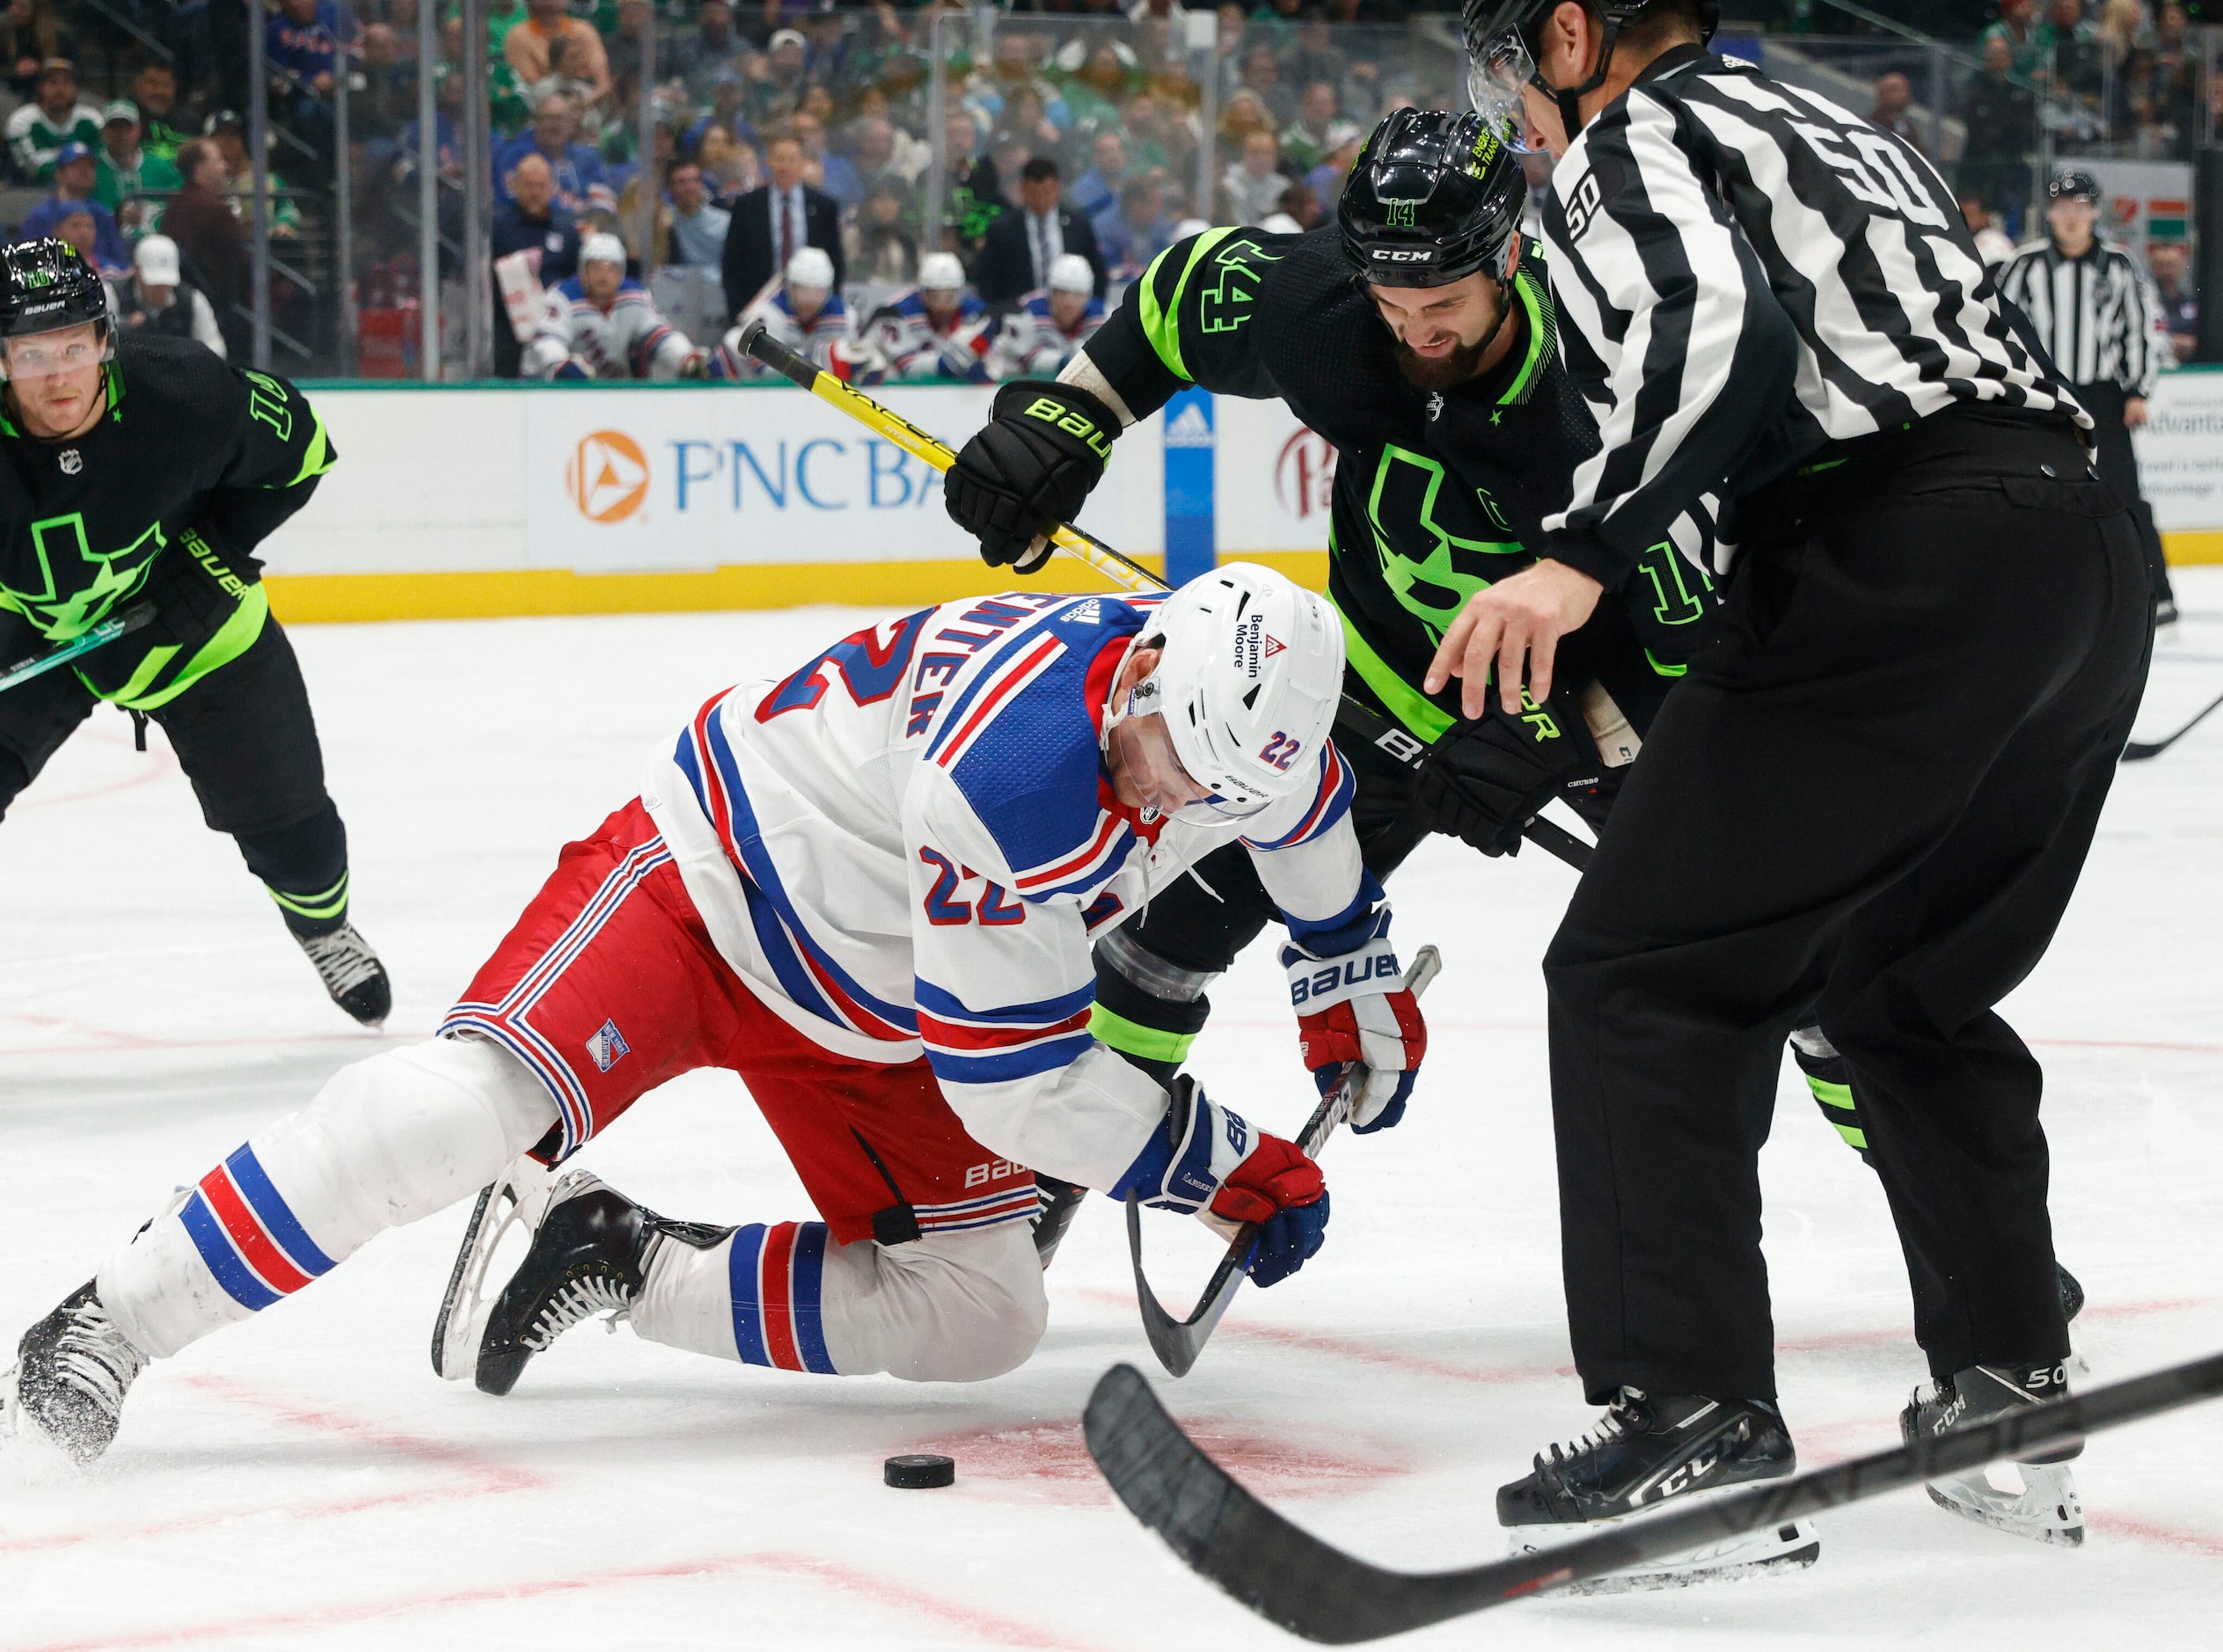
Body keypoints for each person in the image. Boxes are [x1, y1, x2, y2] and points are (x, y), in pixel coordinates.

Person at [4, 563, 1418, 1464]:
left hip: (878, 999)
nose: (1178, 799)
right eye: (1172, 760)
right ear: (1149, 673)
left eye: (1218, 789)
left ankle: (614, 1254)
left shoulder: (1239, 739)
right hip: (706, 888)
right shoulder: (1023, 771)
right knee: (448, 1116)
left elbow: (1307, 833)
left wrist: (1344, 974)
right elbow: (1021, 1086)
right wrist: (1220, 1163)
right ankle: (112, 1316)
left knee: (979, 1315)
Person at [1455, 0, 2147, 1573]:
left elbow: (1722, 337)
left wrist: (1573, 561)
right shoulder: (1838, 121)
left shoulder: (1633, 134)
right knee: (1901, 986)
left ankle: (1692, 1424)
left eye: (1516, 54)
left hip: (1901, 552)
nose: (1512, 97)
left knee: (1637, 972)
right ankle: (2006, 1391)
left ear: (1577, 30)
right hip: (2072, 556)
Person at [0, 239, 386, 1033]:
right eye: (31, 353)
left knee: (296, 834)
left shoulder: (186, 392)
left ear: (106, 341)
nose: (57, 375)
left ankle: (323, 926)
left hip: (195, 637)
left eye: (74, 346)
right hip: (36, 637)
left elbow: (304, 452)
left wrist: (209, 563)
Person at [2000, 172, 2176, 625]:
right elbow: (2001, 327)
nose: (2072, 218)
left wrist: (2137, 391)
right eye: (2063, 208)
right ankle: (2031, 587)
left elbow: (2137, 331)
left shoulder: (2118, 265)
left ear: (2094, 212)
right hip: (2045, 393)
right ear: (2051, 214)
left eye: (2080, 208)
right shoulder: (2024, 265)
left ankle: (2156, 591)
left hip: (2102, 394)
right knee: (2036, 488)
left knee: (2123, 492)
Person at [523, 231, 728, 381]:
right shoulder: (563, 297)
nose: (604, 276)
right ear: (582, 271)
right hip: (550, 393)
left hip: (614, 390)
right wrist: (560, 364)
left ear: (621, 273)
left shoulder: (634, 296)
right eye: (595, 267)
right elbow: (547, 342)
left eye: (612, 269)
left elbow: (660, 335)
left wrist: (686, 357)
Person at [720, 130, 844, 322]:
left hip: (810, 307)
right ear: (769, 162)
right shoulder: (747, 205)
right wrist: (739, 311)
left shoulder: (823, 206)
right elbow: (731, 263)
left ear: (802, 163)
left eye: (791, 160)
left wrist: (826, 309)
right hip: (758, 306)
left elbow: (835, 260)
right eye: (780, 159)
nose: (785, 166)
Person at [491, 151, 581, 378]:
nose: (535, 192)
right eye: (529, 185)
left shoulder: (566, 229)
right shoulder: (498, 228)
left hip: (559, 330)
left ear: (551, 188)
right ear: (516, 185)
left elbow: (577, 279)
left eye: (541, 186)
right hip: (510, 334)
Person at [158, 140, 248, 356]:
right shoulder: (215, 210)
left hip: (186, 303)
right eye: (218, 161)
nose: (225, 167)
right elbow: (241, 263)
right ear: (199, 169)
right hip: (218, 306)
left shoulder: (175, 205)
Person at [976, 157, 1107, 305]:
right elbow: (989, 283)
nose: (1041, 199)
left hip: (1072, 313)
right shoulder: (1001, 230)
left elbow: (1097, 274)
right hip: (1019, 314)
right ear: (1023, 188)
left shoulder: (1078, 226)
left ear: (1057, 188)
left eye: (1047, 192)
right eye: (1034, 193)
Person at [861, 250, 993, 382]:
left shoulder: (978, 313)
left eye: (950, 297)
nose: (943, 306)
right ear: (923, 293)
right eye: (936, 296)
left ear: (960, 293)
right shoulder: (896, 313)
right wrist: (946, 364)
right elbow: (907, 367)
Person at [740, 245, 859, 378]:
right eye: (803, 290)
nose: (810, 300)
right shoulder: (768, 314)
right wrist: (824, 359)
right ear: (791, 287)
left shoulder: (846, 316)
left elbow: (852, 367)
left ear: (828, 290)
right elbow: (764, 369)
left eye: (819, 292)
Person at [490, 93, 612, 216]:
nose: (555, 125)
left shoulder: (587, 156)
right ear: (536, 121)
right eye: (549, 118)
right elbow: (509, 202)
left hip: (584, 229)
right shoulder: (516, 156)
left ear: (572, 125)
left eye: (561, 119)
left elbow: (603, 200)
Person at [105, 233, 225, 357]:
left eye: (166, 282)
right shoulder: (112, 295)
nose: (161, 289)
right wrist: (126, 330)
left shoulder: (192, 300)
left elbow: (215, 348)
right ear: (136, 271)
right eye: (154, 283)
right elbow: (99, 348)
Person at [989, 252, 1104, 378]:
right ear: (1050, 292)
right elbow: (1026, 359)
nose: (1069, 302)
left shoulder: (1104, 315)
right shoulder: (1025, 313)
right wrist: (1070, 361)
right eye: (1062, 292)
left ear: (1088, 296)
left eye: (1078, 294)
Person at [20, 141, 128, 271]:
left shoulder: (101, 213)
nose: (85, 172)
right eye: (76, 166)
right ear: (59, 173)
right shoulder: (40, 216)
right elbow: (27, 266)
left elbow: (121, 263)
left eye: (90, 167)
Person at [503, 0, 610, 117]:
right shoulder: (518, 35)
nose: (579, 62)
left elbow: (603, 85)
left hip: (584, 110)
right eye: (573, 57)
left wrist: (580, 103)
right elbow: (535, 90)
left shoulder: (583, 30)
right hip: (546, 113)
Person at [6, 56, 100, 182]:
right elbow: (31, 170)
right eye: (52, 83)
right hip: (34, 194)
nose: (60, 90)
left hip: (86, 192)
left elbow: (103, 162)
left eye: (66, 83)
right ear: (41, 87)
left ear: (76, 88)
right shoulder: (22, 121)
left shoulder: (91, 120)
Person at [91, 100, 179, 225]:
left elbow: (182, 197)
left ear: (138, 130)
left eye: (127, 128)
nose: (121, 135)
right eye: (114, 127)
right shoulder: (92, 168)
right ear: (104, 132)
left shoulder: (159, 166)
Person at [1094, 173, 1174, 283]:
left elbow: (1168, 259)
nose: (1159, 209)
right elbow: (1104, 267)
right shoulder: (1104, 228)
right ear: (1135, 205)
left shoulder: (1158, 226)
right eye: (1154, 203)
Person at [665, 160, 731, 273]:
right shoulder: (665, 221)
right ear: (670, 188)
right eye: (682, 182)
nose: (690, 188)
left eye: (695, 181)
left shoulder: (725, 222)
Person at [1220, 128, 1290, 225]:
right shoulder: (1227, 183)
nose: (1261, 159)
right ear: (1244, 154)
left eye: (1267, 153)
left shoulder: (1284, 187)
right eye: (1254, 152)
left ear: (1275, 156)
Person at [2147, 238, 2197, 362]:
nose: (2166, 271)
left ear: (2181, 266)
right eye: (2161, 265)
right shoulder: (2144, 304)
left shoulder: (2194, 303)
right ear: (2152, 268)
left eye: (2171, 265)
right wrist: (2169, 343)